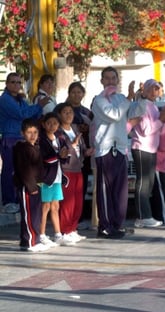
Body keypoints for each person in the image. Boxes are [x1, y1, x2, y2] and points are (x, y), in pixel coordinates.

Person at [90, 66, 139, 239]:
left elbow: (135, 113)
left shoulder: (121, 98)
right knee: (106, 190)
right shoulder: (98, 100)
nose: (110, 81)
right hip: (105, 149)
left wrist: (141, 97)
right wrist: (129, 98)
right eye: (107, 78)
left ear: (118, 81)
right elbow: (115, 115)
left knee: (121, 191)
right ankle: (105, 226)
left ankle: (117, 224)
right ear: (102, 81)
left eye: (113, 78)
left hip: (120, 148)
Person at [0, 72, 49, 213]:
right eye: (13, 82)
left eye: (18, 82)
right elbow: (22, 114)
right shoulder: (5, 99)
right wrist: (38, 106)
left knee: (22, 170)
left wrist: (38, 110)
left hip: (23, 137)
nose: (16, 85)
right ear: (7, 84)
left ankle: (18, 198)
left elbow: (30, 114)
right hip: (10, 137)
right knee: (10, 170)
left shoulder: (21, 100)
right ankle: (9, 201)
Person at [130, 79, 165, 228]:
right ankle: (142, 216)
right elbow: (146, 130)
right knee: (143, 182)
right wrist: (161, 120)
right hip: (141, 147)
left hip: (151, 149)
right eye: (152, 88)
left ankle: (146, 215)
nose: (155, 91)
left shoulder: (153, 106)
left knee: (149, 183)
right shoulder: (142, 105)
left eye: (157, 88)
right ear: (144, 90)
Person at [55, 103, 94, 242]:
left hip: (78, 168)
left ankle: (72, 228)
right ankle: (65, 230)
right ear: (59, 115)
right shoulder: (58, 132)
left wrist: (87, 151)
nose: (69, 115)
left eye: (70, 112)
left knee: (78, 201)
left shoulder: (75, 128)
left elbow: (81, 147)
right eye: (65, 112)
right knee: (67, 202)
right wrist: (71, 145)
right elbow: (61, 150)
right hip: (66, 170)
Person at [38, 112, 75, 246]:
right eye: (49, 123)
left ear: (58, 125)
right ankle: (41, 235)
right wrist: (59, 156)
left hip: (57, 177)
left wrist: (65, 155)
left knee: (55, 206)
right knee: (45, 206)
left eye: (55, 123)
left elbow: (63, 159)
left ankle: (58, 234)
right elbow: (45, 159)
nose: (52, 126)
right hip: (47, 178)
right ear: (43, 124)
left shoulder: (59, 139)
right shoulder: (41, 140)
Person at [13, 118, 49, 252]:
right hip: (28, 187)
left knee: (35, 214)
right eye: (29, 132)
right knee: (29, 215)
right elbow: (24, 170)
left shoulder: (35, 147)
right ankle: (30, 241)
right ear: (23, 133)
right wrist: (31, 186)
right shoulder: (21, 148)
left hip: (37, 185)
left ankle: (28, 240)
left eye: (35, 132)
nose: (33, 135)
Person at [65, 81, 95, 225]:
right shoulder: (62, 109)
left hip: (84, 152)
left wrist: (86, 129)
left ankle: (80, 215)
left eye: (79, 92)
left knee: (81, 185)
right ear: (69, 94)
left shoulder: (87, 112)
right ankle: (67, 217)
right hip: (67, 153)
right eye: (73, 92)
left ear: (83, 94)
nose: (76, 95)